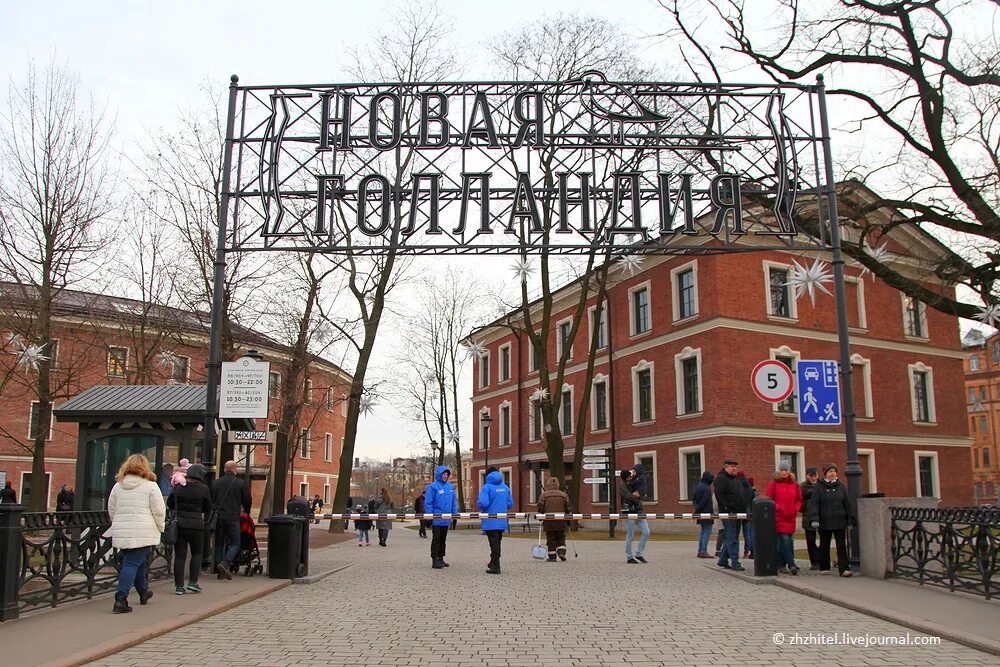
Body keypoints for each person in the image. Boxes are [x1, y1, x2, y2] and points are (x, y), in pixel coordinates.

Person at [107, 454, 165, 614]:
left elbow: (112, 509)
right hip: (144, 530)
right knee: (132, 563)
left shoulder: (118, 486)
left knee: (137, 561)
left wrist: (118, 524)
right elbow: (159, 511)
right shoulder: (151, 486)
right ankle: (121, 598)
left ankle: (143, 591)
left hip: (123, 530)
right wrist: (160, 527)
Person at [167, 463, 212, 594]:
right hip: (196, 526)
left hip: (180, 525)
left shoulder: (178, 487)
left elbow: (170, 503)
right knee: (197, 553)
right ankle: (193, 582)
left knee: (180, 556)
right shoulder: (203, 488)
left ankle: (179, 587)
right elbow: (208, 507)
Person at [809, 463, 855, 577]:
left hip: (840, 520)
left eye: (834, 471)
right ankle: (824, 566)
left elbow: (847, 504)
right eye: (830, 471)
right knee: (824, 544)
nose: (833, 473)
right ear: (825, 474)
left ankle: (844, 569)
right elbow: (814, 504)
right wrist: (815, 519)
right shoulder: (819, 487)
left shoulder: (841, 486)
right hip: (825, 521)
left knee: (841, 546)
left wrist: (850, 520)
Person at [212, 460, 252, 580]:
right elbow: (247, 501)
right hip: (233, 517)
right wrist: (247, 512)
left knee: (219, 543)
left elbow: (212, 500)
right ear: (236, 470)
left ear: (224, 469)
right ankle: (225, 562)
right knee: (235, 543)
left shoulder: (215, 483)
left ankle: (220, 572)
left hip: (219, 517)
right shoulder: (240, 483)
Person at [766, 460, 803, 575]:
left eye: (786, 470)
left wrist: (795, 509)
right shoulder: (774, 484)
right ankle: (791, 563)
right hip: (779, 516)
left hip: (791, 517)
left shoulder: (795, 484)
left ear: (789, 471)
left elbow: (799, 499)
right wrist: (778, 508)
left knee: (787, 542)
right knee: (784, 540)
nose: (784, 472)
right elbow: (769, 499)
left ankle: (781, 564)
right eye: (782, 470)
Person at [714, 459, 745, 572]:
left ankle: (722, 559)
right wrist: (726, 508)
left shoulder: (736, 480)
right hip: (728, 513)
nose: (735, 469)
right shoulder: (721, 479)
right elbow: (719, 495)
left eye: (736, 467)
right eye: (732, 467)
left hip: (738, 513)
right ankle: (735, 562)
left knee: (733, 537)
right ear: (726, 467)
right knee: (732, 538)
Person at [425, 465, 458, 569]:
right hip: (436, 518)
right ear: (439, 475)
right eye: (443, 474)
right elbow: (428, 503)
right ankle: (435, 559)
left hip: (446, 519)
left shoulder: (450, 487)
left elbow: (454, 502)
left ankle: (441, 557)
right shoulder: (433, 487)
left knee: (443, 539)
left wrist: (454, 515)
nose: (445, 476)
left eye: (446, 474)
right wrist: (429, 517)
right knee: (436, 539)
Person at [620, 465, 650, 564]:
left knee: (646, 532)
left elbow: (641, 492)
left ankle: (639, 553)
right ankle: (629, 556)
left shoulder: (635, 482)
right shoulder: (623, 485)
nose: (631, 476)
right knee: (630, 535)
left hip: (638, 510)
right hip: (629, 511)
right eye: (629, 476)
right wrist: (636, 496)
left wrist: (640, 495)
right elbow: (628, 496)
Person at [537, 477, 570, 562]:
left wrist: (541, 514)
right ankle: (561, 552)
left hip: (549, 520)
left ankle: (552, 556)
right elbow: (568, 507)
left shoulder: (544, 495)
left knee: (551, 538)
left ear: (548, 485)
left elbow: (540, 506)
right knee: (561, 536)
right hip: (561, 520)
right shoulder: (563, 495)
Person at [800, 467, 820, 570]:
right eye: (811, 475)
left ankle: (822, 558)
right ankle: (815, 562)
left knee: (824, 539)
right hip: (808, 516)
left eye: (815, 475)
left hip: (821, 516)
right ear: (807, 475)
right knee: (810, 541)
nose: (813, 477)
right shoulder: (803, 486)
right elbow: (799, 499)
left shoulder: (821, 485)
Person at [691, 471, 715, 558]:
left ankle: (700, 550)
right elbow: (704, 501)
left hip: (700, 513)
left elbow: (694, 499)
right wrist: (698, 509)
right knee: (707, 531)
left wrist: (696, 509)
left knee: (703, 531)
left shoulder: (698, 486)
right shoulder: (707, 488)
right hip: (707, 512)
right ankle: (703, 551)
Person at [737, 471, 756, 559]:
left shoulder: (737, 485)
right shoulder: (749, 487)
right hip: (749, 512)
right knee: (749, 533)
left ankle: (740, 552)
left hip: (739, 511)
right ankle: (750, 551)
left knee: (736, 533)